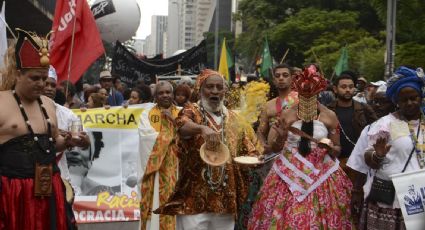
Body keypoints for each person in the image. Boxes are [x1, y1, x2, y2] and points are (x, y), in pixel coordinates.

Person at [155, 69, 263, 230]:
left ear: (225, 91)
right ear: (200, 89)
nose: (215, 91)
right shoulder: (192, 111)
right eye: (210, 87)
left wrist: (256, 159)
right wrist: (201, 129)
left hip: (225, 200)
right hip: (193, 198)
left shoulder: (234, 118)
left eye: (219, 87)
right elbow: (181, 125)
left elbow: (250, 150)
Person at [248, 65, 353, 229]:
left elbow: (338, 148)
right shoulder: (287, 114)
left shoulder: (329, 116)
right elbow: (275, 148)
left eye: (311, 94)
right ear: (298, 93)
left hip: (322, 173)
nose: (307, 97)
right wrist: (281, 136)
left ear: (318, 93)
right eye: (303, 94)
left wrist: (331, 148)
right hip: (287, 173)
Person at [0, 29, 78, 229]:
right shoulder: (1, 102)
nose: (42, 84)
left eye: (44, 79)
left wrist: (69, 142)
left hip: (49, 188)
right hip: (12, 193)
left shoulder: (48, 105)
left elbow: (53, 143)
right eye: (35, 78)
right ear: (18, 75)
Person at [351, 67, 425, 230]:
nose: (410, 103)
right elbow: (368, 157)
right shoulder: (385, 124)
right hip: (391, 200)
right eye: (404, 100)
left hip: (420, 199)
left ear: (421, 97)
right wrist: (377, 156)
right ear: (396, 101)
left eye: (414, 98)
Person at [347, 83, 395, 227]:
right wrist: (356, 191)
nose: (378, 106)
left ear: (394, 103)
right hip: (377, 195)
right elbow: (360, 164)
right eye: (375, 102)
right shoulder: (369, 129)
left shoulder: (410, 128)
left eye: (383, 102)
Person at [43, 65, 90, 199]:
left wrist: (76, 140)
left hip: (60, 173)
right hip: (28, 173)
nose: (49, 88)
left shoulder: (67, 114)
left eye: (53, 85)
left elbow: (86, 142)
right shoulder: (25, 111)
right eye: (45, 84)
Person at [139, 81, 180, 230]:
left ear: (173, 94)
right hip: (157, 169)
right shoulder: (147, 114)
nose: (165, 95)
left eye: (168, 92)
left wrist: (173, 120)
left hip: (179, 166)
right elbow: (146, 137)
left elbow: (189, 135)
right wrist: (172, 136)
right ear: (155, 96)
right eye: (161, 93)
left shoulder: (183, 112)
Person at [327, 71, 377, 183]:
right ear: (335, 89)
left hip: (359, 164)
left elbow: (376, 132)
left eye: (351, 86)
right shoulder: (327, 110)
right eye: (343, 87)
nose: (348, 90)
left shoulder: (365, 109)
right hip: (334, 163)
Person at [257, 64, 298, 154]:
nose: (281, 78)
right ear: (274, 80)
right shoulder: (268, 105)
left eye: (285, 75)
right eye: (277, 76)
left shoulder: (300, 101)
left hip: (296, 156)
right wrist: (263, 145)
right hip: (273, 156)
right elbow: (260, 132)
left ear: (292, 79)